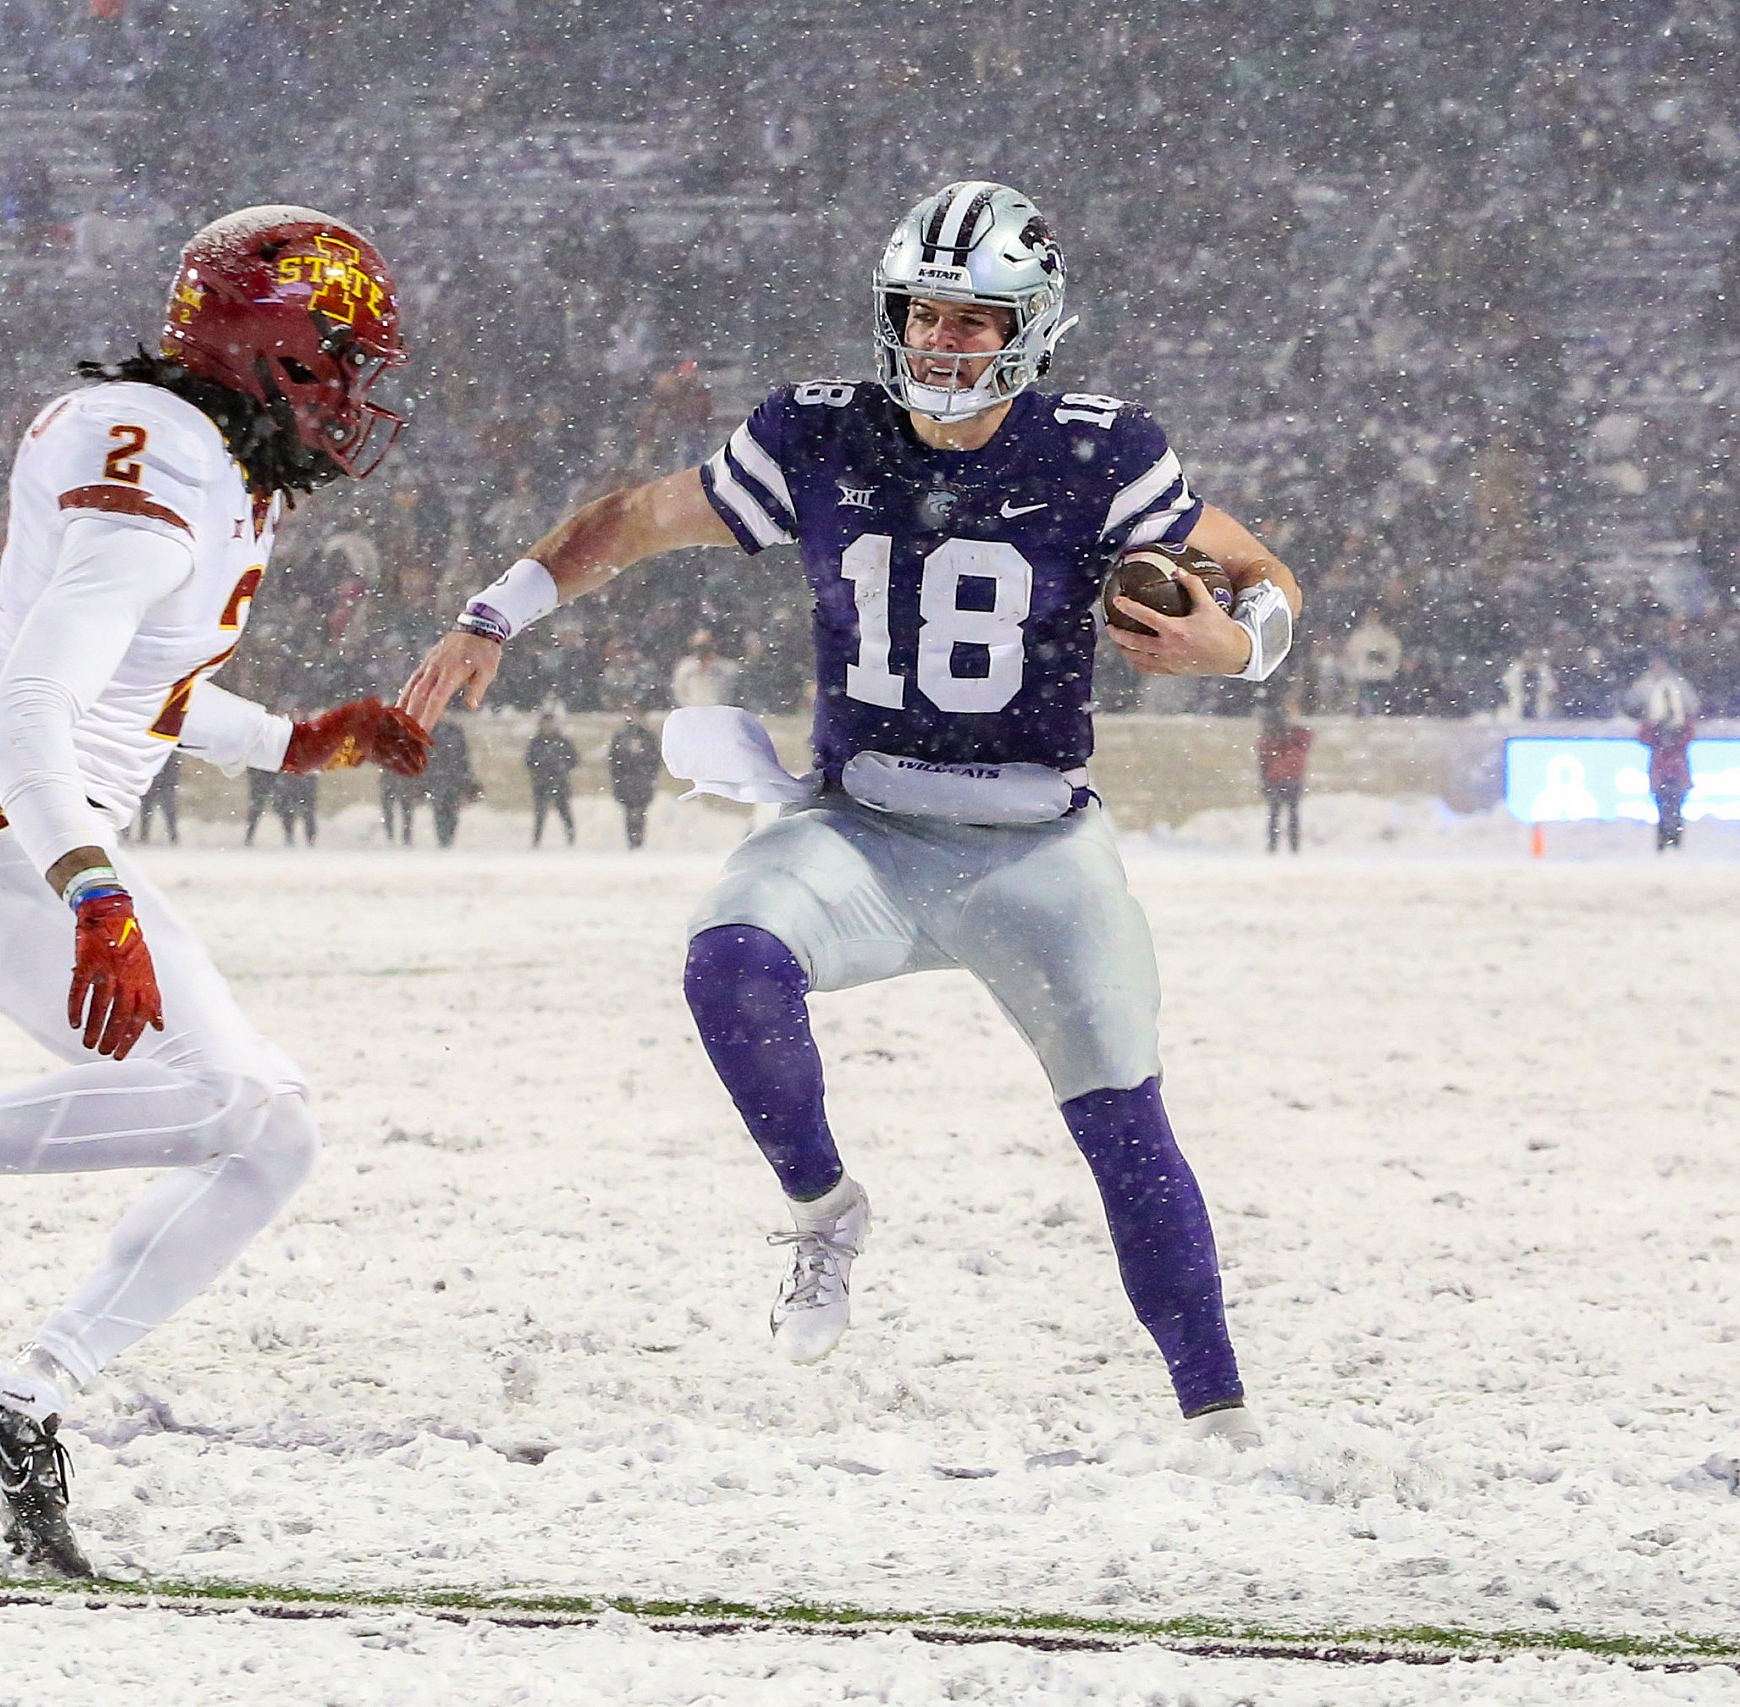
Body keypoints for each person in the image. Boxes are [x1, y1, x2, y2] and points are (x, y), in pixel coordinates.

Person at [403, 181, 1304, 1445]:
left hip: (1036, 841)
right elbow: (638, 519)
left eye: (972, 319)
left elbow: (1263, 572)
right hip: (861, 823)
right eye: (922, 313)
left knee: (1121, 1122)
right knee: (728, 964)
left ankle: (1218, 1416)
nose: (941, 339)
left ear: (1032, 328)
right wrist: (494, 612)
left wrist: (1239, 648)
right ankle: (822, 1209)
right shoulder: (819, 433)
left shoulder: (1100, 450)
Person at [0, 207, 431, 1578]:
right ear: (271, 347)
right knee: (219, 1096)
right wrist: (91, 894)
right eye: (339, 361)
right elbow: (30, 706)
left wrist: (291, 741)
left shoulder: (212, 461)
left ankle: (17, 1401)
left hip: (43, 826)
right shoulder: (162, 465)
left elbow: (139, 685)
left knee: (273, 1133)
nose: (350, 398)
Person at [1625, 653, 1699, 851]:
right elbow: (1644, 736)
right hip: (1668, 768)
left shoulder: (1679, 721)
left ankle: (1671, 840)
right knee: (1666, 806)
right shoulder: (1660, 722)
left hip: (1668, 768)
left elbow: (1646, 737)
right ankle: (1668, 840)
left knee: (1672, 805)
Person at [1256, 698, 1313, 855]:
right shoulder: (1296, 736)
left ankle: (1275, 846)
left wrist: (1265, 780)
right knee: (1290, 814)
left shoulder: (1271, 739)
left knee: (1276, 814)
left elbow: (1263, 761)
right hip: (1291, 779)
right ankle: (1291, 846)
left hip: (1277, 779)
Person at [606, 709, 661, 849]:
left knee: (640, 811)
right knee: (629, 812)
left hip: (642, 781)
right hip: (626, 782)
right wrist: (619, 777)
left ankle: (638, 840)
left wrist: (648, 774)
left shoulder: (648, 737)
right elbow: (614, 760)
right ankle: (632, 840)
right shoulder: (620, 737)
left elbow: (655, 758)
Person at [420, 712, 477, 847]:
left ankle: (448, 837)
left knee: (452, 809)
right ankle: (442, 838)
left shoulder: (455, 732)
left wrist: (466, 775)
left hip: (453, 778)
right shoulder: (431, 732)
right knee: (439, 809)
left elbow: (464, 756)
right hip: (437, 778)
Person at [525, 710, 579, 846]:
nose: (547, 726)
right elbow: (529, 761)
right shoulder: (536, 743)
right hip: (541, 784)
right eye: (545, 723)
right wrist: (539, 770)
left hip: (560, 783)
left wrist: (562, 768)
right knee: (540, 814)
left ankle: (571, 840)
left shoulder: (563, 742)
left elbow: (574, 760)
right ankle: (536, 842)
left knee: (565, 812)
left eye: (550, 723)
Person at [670, 627, 739, 707]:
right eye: (699, 647)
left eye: (706, 646)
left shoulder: (727, 667)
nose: (703, 650)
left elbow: (730, 691)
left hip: (719, 710)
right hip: (692, 710)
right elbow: (679, 691)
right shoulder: (685, 667)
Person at [133, 749, 179, 843]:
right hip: (161, 784)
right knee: (165, 812)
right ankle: (172, 837)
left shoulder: (152, 752)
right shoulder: (168, 752)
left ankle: (145, 836)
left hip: (156, 784)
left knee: (148, 811)